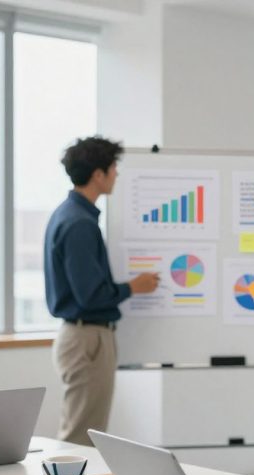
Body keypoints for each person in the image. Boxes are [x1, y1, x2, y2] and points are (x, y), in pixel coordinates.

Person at [45, 136, 159, 446]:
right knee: (80, 436)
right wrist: (134, 287)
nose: (117, 175)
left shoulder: (70, 215)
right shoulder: (79, 223)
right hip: (88, 339)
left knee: (81, 431)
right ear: (98, 174)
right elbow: (91, 295)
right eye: (113, 168)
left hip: (84, 337)